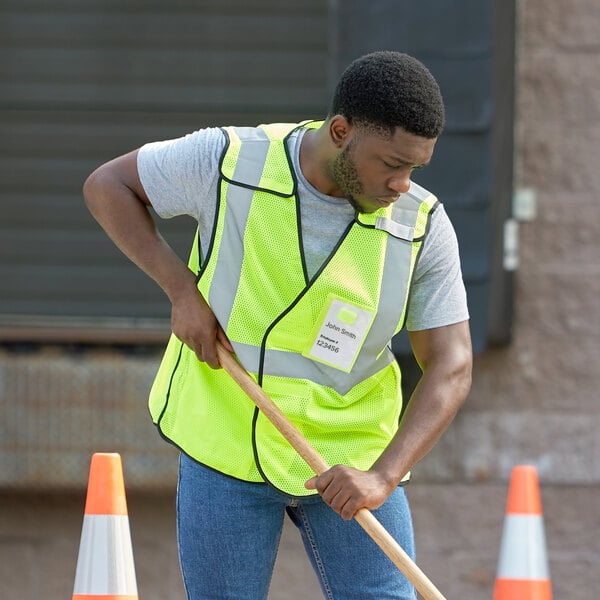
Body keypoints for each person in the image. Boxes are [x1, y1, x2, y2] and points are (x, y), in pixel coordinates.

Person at [83, 50, 472, 600]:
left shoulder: (421, 225)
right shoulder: (229, 162)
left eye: (415, 168)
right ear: (341, 132)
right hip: (228, 442)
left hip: (350, 460)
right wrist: (180, 288)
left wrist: (382, 476)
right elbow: (107, 186)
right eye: (390, 164)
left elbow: (453, 365)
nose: (402, 184)